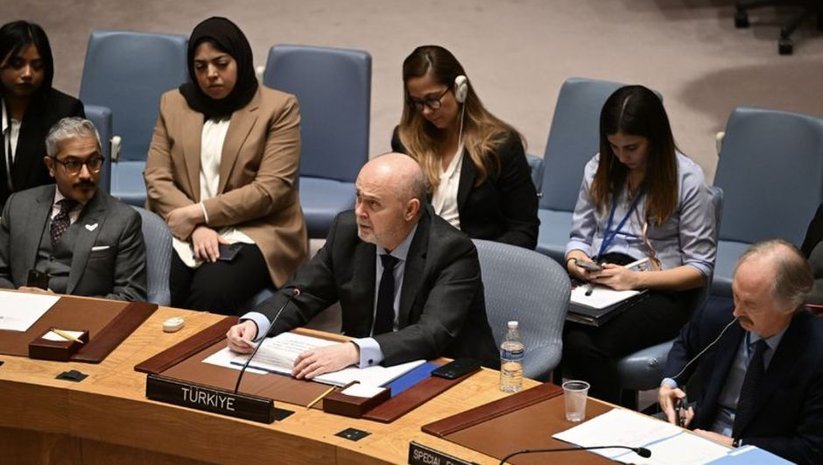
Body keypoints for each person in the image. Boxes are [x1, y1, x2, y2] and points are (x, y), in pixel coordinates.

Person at [226, 153, 498, 378]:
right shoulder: (347, 232)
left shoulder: (451, 251)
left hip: (444, 372)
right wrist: (256, 323)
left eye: (373, 204)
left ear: (410, 210)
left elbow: (432, 333)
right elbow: (302, 293)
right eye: (358, 197)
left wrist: (355, 351)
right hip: (366, 373)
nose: (359, 212)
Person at [562, 85, 716, 403]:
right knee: (545, 324)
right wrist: (577, 263)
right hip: (604, 275)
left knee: (585, 345)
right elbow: (579, 238)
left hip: (661, 287)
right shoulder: (598, 168)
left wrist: (634, 279)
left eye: (631, 147)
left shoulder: (687, 179)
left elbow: (699, 269)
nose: (622, 157)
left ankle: (605, 422)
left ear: (654, 138)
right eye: (614, 146)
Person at [144, 17, 306, 314]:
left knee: (212, 290)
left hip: (254, 227)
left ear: (240, 61)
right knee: (162, 284)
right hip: (184, 225)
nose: (211, 75)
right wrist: (195, 227)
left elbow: (271, 189)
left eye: (221, 63)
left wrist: (200, 213)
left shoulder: (278, 107)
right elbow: (157, 177)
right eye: (200, 66)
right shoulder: (173, 103)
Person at [659, 240, 823, 465]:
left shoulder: (816, 353)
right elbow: (685, 344)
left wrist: (736, 444)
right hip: (697, 440)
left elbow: (812, 449)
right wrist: (670, 383)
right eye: (736, 296)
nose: (736, 312)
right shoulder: (718, 314)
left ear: (790, 305)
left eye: (751, 305)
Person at [391, 45, 538, 250]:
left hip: (479, 258)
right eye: (417, 102)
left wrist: (474, 257)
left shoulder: (501, 146)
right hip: (419, 256)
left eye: (433, 100)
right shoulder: (406, 141)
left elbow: (524, 230)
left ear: (460, 89)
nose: (425, 111)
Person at [0, 117, 146, 301]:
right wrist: (19, 299)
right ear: (50, 166)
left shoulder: (124, 221)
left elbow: (131, 298)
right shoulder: (18, 206)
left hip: (83, 318)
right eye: (73, 164)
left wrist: (61, 306)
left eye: (93, 161)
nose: (86, 174)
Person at [0, 20, 85, 210]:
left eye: (37, 65)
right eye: (17, 64)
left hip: (45, 217)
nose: (27, 73)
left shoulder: (66, 112)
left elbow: (75, 183)